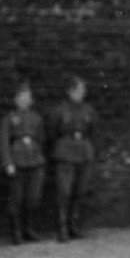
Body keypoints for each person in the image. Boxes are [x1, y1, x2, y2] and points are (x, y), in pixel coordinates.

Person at [0, 80, 46, 244]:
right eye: (20, 97)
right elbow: (3, 142)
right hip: (17, 162)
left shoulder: (36, 118)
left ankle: (29, 229)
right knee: (16, 199)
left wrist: (40, 160)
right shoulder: (9, 119)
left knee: (33, 197)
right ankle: (16, 232)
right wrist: (7, 163)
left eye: (27, 97)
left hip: (34, 161)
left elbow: (41, 139)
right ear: (15, 100)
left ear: (31, 100)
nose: (24, 100)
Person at [48, 75, 96, 242]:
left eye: (82, 90)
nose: (80, 93)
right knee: (64, 191)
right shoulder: (59, 110)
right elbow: (52, 132)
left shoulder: (88, 110)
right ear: (69, 92)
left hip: (84, 152)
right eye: (77, 90)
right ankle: (62, 229)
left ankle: (74, 226)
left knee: (80, 191)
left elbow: (92, 130)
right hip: (65, 152)